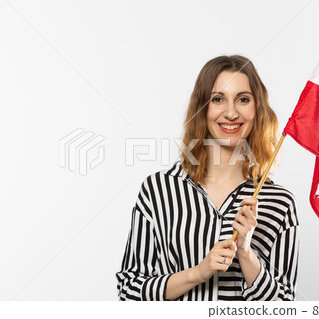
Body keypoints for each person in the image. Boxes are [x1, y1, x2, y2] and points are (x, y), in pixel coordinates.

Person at [115, 55, 300, 301]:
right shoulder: (158, 190)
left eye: (243, 99)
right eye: (218, 99)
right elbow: (129, 291)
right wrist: (198, 273)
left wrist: (246, 254)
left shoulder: (280, 202)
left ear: (257, 110)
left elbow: (285, 306)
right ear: (202, 109)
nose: (231, 112)